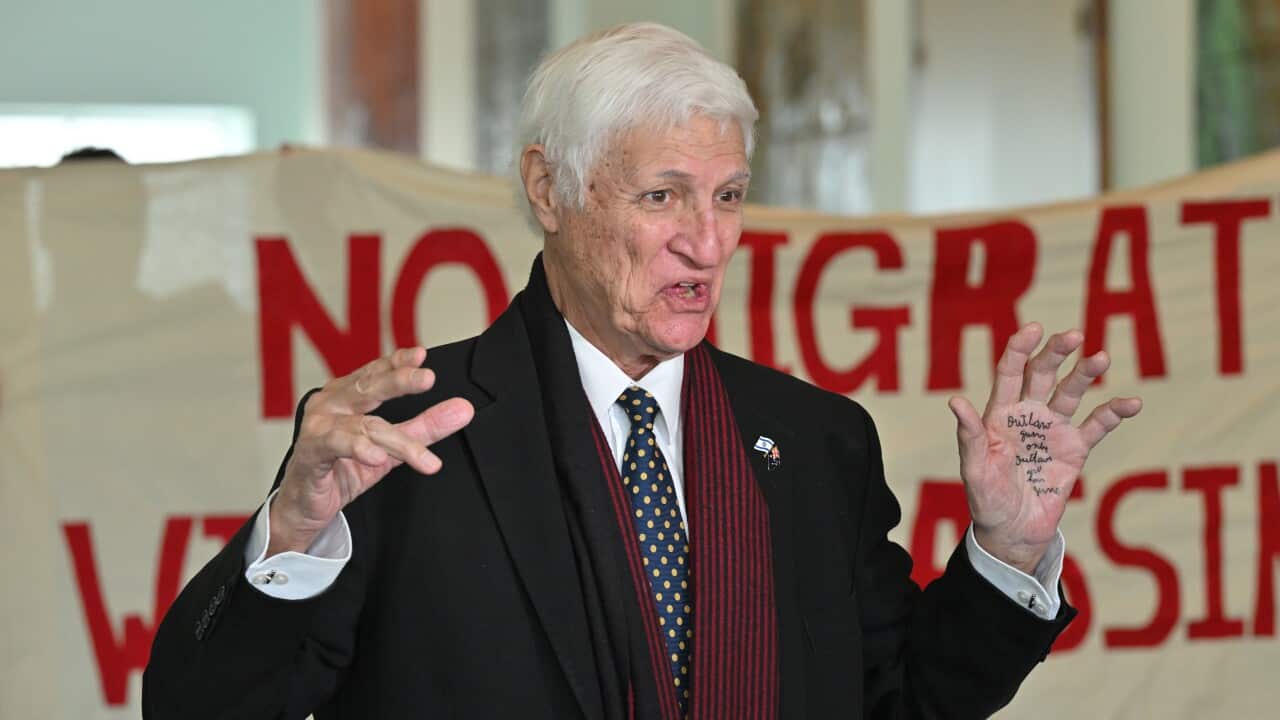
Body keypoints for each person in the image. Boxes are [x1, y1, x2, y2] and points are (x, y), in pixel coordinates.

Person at [144, 22, 1140, 719]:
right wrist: (293, 530)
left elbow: (904, 701)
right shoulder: (408, 435)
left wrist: (1006, 551)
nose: (706, 247)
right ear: (548, 188)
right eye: (662, 198)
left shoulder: (814, 440)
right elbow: (202, 710)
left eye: (729, 197)